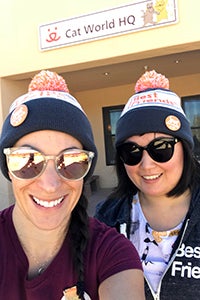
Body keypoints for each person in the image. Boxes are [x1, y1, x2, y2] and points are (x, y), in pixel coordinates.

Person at [0, 70, 145, 300]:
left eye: (71, 161)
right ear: (8, 167)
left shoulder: (112, 253)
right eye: (27, 159)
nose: (49, 185)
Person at [95, 70, 200, 299]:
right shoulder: (106, 218)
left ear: (185, 149)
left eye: (161, 148)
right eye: (131, 151)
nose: (147, 165)